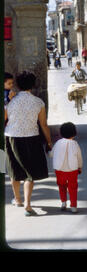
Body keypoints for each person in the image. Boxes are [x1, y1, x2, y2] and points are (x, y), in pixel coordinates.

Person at [4, 71, 52, 216]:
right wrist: (49, 141)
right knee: (29, 173)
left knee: (14, 169)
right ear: (33, 85)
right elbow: (43, 124)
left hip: (11, 137)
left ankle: (17, 200)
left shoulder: (10, 100)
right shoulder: (38, 102)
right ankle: (27, 204)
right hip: (32, 137)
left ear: (17, 84)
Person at [51, 122, 83, 213]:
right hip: (72, 170)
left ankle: (63, 203)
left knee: (61, 186)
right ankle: (73, 206)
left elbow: (52, 154)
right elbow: (79, 156)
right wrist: (80, 166)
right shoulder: (75, 144)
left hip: (59, 169)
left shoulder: (58, 143)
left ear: (61, 133)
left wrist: (49, 151)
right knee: (73, 187)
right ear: (74, 133)